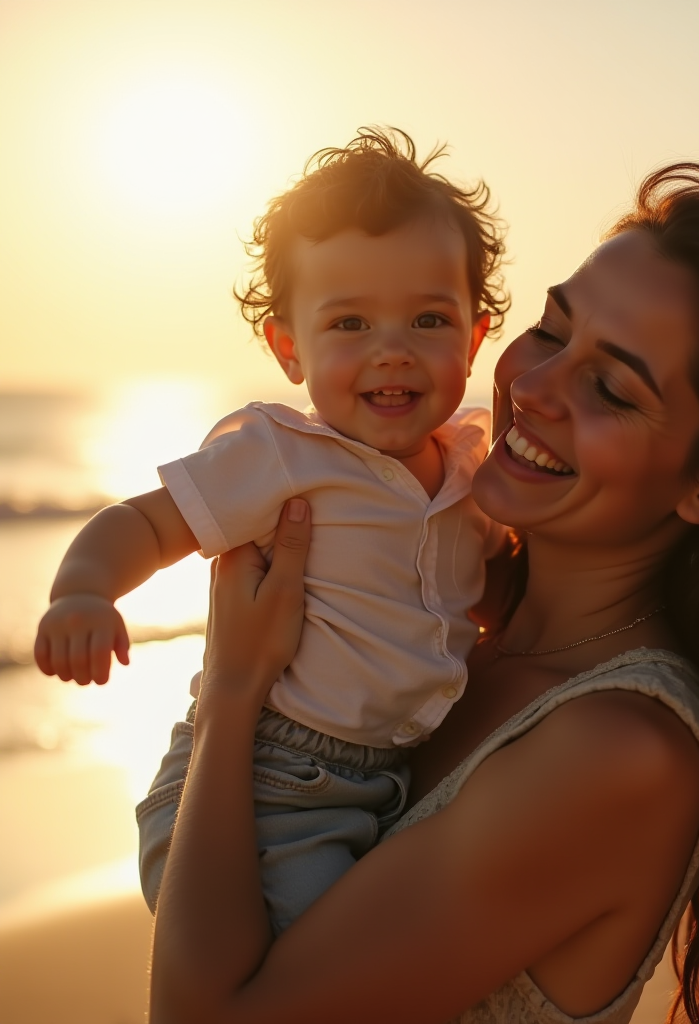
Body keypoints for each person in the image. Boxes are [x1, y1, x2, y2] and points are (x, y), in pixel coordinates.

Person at [149, 164, 699, 1024]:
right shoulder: (455, 630)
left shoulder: (619, 752)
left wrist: (231, 691)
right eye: (553, 332)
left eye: (612, 389)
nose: (530, 387)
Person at [33, 128, 511, 933]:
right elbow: (144, 521)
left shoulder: (471, 468)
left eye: (428, 320)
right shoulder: (281, 454)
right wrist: (82, 591)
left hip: (393, 775)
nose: (391, 353)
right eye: (350, 324)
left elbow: (500, 581)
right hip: (267, 787)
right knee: (326, 965)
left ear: (474, 334)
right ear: (290, 347)